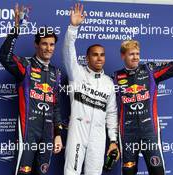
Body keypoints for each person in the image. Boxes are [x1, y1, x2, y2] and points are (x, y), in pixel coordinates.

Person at [114, 24, 173, 175]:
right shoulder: (115, 78)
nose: (135, 57)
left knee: (157, 171)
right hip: (127, 134)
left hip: (149, 132)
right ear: (123, 56)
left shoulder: (150, 71)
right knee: (128, 172)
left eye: (137, 54)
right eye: (131, 54)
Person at [0, 4, 63, 175]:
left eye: (52, 44)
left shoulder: (56, 73)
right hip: (27, 133)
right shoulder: (25, 66)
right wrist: (16, 29)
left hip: (48, 135)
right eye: (44, 44)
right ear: (36, 45)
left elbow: (55, 107)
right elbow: (4, 57)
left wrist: (58, 134)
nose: (48, 48)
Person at [63, 3, 119, 175]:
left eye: (102, 54)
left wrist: (113, 140)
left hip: (98, 135)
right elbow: (68, 52)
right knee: (71, 172)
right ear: (87, 57)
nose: (99, 58)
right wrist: (73, 27)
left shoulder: (109, 83)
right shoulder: (77, 73)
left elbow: (111, 113)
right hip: (78, 132)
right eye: (95, 54)